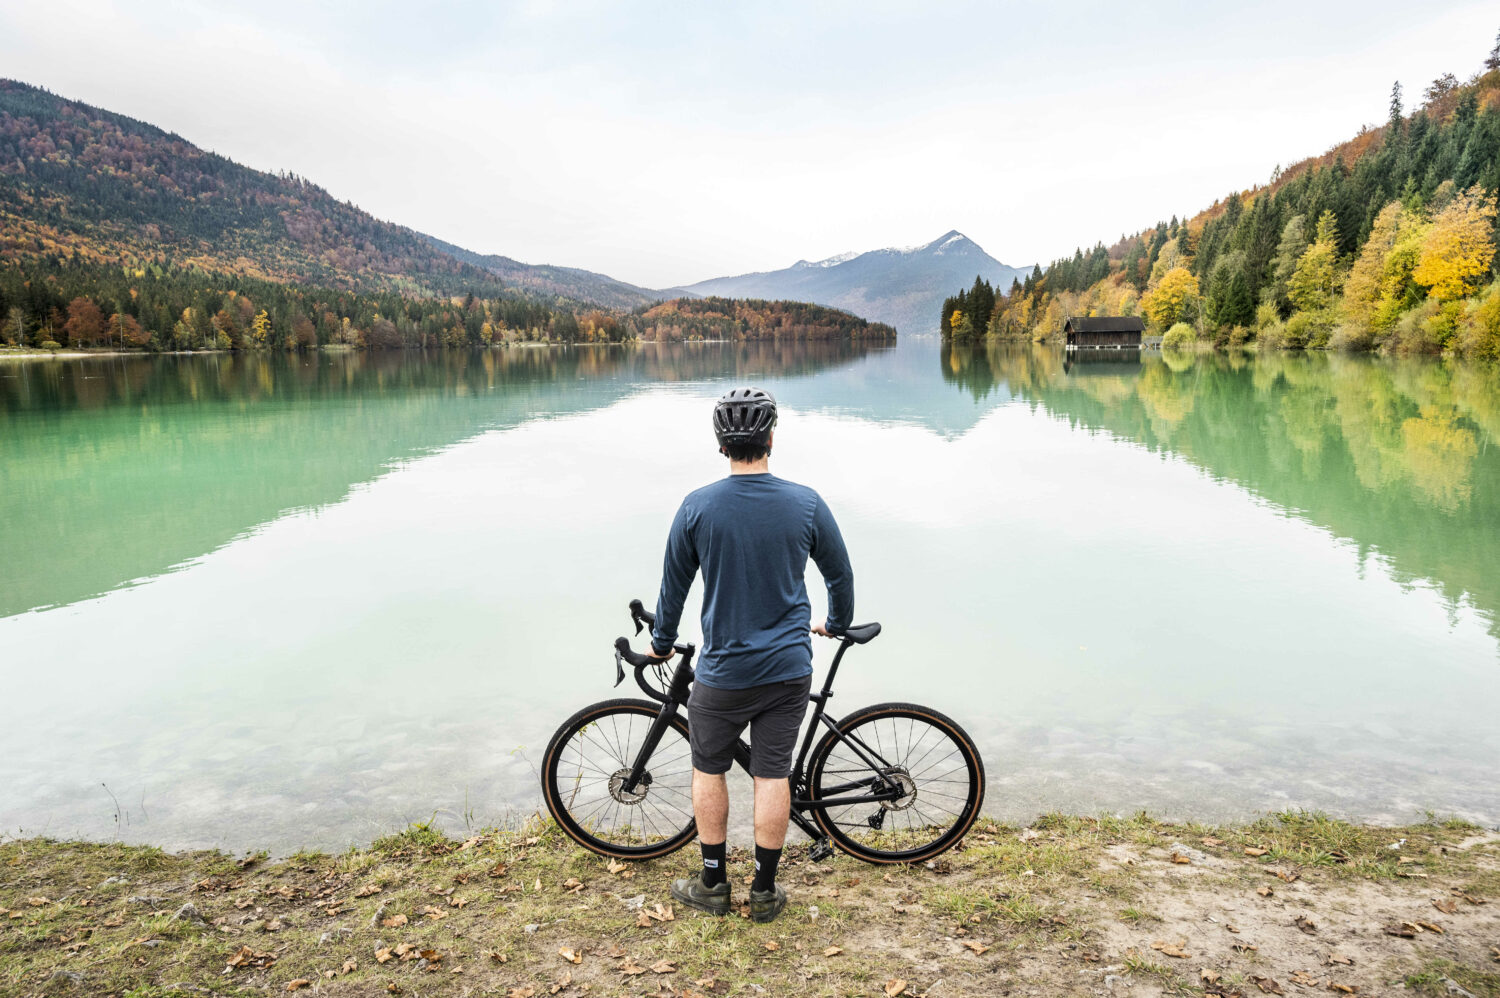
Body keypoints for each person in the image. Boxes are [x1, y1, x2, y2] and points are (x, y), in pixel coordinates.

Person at [646, 386, 853, 924]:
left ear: (721, 444)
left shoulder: (696, 506)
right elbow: (839, 574)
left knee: (708, 769)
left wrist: (662, 643)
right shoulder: (805, 502)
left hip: (723, 672)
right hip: (787, 669)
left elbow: (673, 589)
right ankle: (764, 890)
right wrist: (837, 622)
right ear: (770, 438)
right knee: (772, 774)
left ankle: (713, 882)